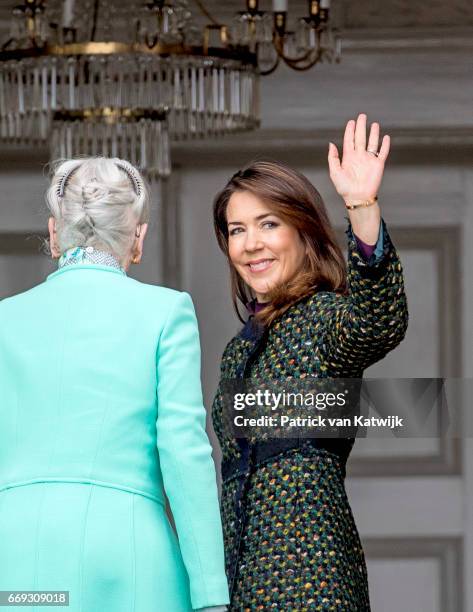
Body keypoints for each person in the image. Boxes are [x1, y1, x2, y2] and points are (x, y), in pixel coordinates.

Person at [0, 157, 229, 612]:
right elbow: (184, 452)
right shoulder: (166, 312)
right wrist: (210, 592)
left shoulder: (5, 319)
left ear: (53, 233)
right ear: (138, 239)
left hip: (16, 555)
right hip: (127, 553)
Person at [212, 114, 409, 610]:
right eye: (237, 230)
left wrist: (362, 207)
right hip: (243, 575)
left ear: (304, 232)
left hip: (311, 574)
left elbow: (377, 320)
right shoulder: (239, 349)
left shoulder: (322, 318)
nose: (251, 243)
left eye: (269, 224)